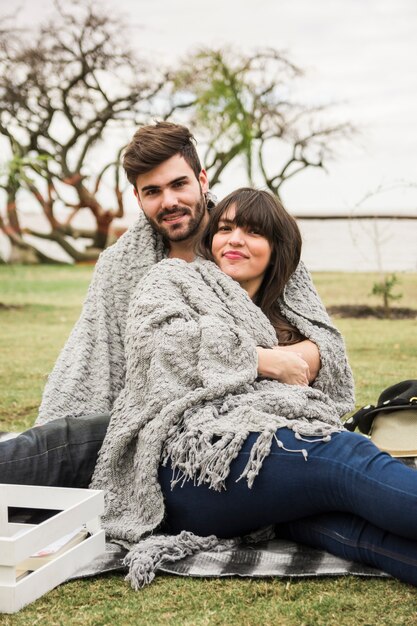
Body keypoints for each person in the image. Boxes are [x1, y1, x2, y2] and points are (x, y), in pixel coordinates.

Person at [88, 186, 417, 590]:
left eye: (253, 231)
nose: (235, 240)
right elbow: (159, 344)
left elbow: (329, 361)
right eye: (225, 228)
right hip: (190, 460)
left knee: (349, 525)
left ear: (277, 249)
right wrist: (261, 360)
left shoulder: (286, 310)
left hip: (257, 474)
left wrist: (287, 359)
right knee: (345, 458)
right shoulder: (173, 278)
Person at [0, 121, 323, 486]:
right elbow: (91, 352)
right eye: (152, 191)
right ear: (138, 199)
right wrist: (259, 359)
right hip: (140, 413)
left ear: (202, 179)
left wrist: (278, 363)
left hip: (226, 421)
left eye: (179, 184)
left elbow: (322, 347)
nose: (169, 201)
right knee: (52, 446)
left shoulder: (247, 242)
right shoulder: (121, 266)